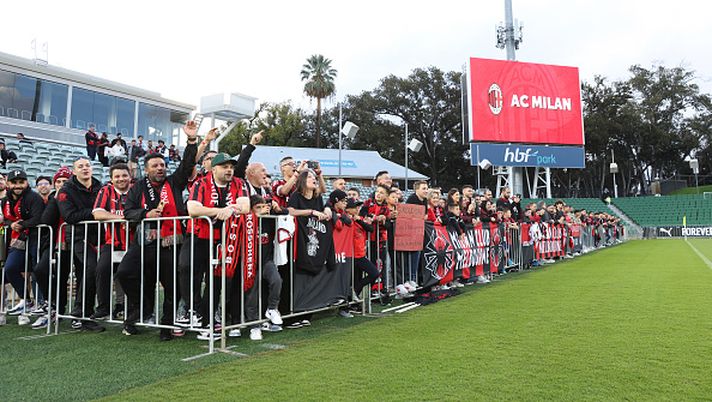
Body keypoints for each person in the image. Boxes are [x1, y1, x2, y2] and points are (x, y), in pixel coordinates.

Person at [117, 121, 199, 341]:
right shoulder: (137, 187)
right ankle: (141, 309)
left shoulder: (174, 182)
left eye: (162, 165)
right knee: (124, 273)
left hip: (171, 243)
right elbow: (128, 212)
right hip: (143, 243)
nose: (160, 168)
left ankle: (167, 325)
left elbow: (188, 163)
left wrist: (191, 140)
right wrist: (146, 215)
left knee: (172, 287)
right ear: (146, 169)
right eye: (155, 166)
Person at [178, 152, 250, 339]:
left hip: (224, 239)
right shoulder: (201, 183)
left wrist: (231, 209)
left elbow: (245, 207)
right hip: (198, 235)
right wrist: (221, 211)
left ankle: (207, 322)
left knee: (216, 281)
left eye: (231, 167)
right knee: (186, 267)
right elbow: (193, 209)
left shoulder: (239, 183)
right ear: (214, 168)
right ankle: (192, 309)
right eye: (225, 167)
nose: (229, 170)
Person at [56, 158, 105, 332]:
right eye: (80, 166)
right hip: (78, 237)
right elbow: (70, 216)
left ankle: (86, 311)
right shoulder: (66, 190)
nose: (85, 169)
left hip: (100, 236)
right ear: (74, 171)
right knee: (91, 268)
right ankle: (82, 312)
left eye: (87, 166)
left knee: (92, 271)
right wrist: (96, 213)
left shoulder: (101, 187)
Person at [284, 169, 333, 329]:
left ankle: (306, 313)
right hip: (298, 245)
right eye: (310, 177)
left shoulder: (318, 198)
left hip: (315, 243)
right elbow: (290, 211)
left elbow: (326, 205)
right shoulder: (296, 196)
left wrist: (326, 210)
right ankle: (291, 316)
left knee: (311, 280)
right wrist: (310, 212)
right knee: (297, 280)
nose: (314, 179)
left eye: (315, 177)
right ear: (303, 181)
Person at [0, 169, 46, 317]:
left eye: (21, 182)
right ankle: (26, 300)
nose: (18, 185)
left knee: (36, 271)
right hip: (18, 240)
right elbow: (7, 220)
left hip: (35, 238)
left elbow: (38, 218)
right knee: (10, 268)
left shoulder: (34, 198)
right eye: (14, 182)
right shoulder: (4, 201)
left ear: (27, 182)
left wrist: (22, 224)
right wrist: (11, 224)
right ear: (8, 183)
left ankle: (43, 305)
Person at [32, 167, 72, 329]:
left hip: (74, 241)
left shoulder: (75, 197)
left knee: (63, 277)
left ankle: (61, 310)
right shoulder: (53, 199)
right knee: (41, 269)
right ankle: (51, 304)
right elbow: (46, 220)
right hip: (56, 242)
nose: (62, 184)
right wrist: (56, 200)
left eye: (65, 181)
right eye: (59, 182)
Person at [91, 163, 132, 321]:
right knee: (102, 269)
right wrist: (121, 218)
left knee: (128, 274)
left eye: (124, 175)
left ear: (130, 176)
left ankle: (131, 308)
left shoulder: (136, 190)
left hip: (135, 243)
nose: (121, 179)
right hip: (113, 242)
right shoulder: (106, 190)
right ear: (111, 179)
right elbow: (98, 213)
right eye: (117, 176)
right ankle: (104, 308)